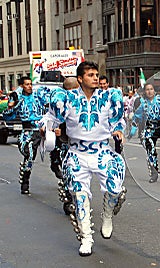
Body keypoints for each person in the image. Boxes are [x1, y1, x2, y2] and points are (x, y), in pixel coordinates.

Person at [43, 61, 127, 256]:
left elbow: (118, 121)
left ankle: (107, 214)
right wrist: (46, 129)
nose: (96, 78)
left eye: (97, 74)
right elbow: (50, 119)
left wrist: (119, 131)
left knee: (114, 190)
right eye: (90, 75)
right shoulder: (68, 98)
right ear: (80, 79)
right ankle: (86, 238)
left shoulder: (108, 97)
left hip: (101, 152)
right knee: (80, 197)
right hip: (77, 153)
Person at [3, 76, 48, 194]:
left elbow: (49, 106)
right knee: (29, 155)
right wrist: (11, 106)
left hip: (42, 130)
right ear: (22, 86)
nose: (29, 86)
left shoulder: (38, 96)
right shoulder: (19, 99)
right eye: (27, 84)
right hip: (28, 131)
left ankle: (58, 170)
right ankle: (25, 181)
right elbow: (9, 115)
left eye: (30, 84)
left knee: (59, 151)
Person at [132, 83, 160, 183]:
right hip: (150, 129)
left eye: (151, 89)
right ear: (144, 92)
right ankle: (154, 173)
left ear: (154, 90)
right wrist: (132, 129)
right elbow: (136, 117)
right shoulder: (143, 104)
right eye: (147, 89)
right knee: (151, 150)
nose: (149, 91)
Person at [49, 77, 80, 215]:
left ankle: (79, 199)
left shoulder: (84, 101)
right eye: (70, 90)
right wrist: (53, 129)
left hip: (81, 144)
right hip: (64, 143)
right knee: (69, 172)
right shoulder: (59, 103)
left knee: (79, 174)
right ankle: (69, 201)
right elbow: (49, 120)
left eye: (76, 89)